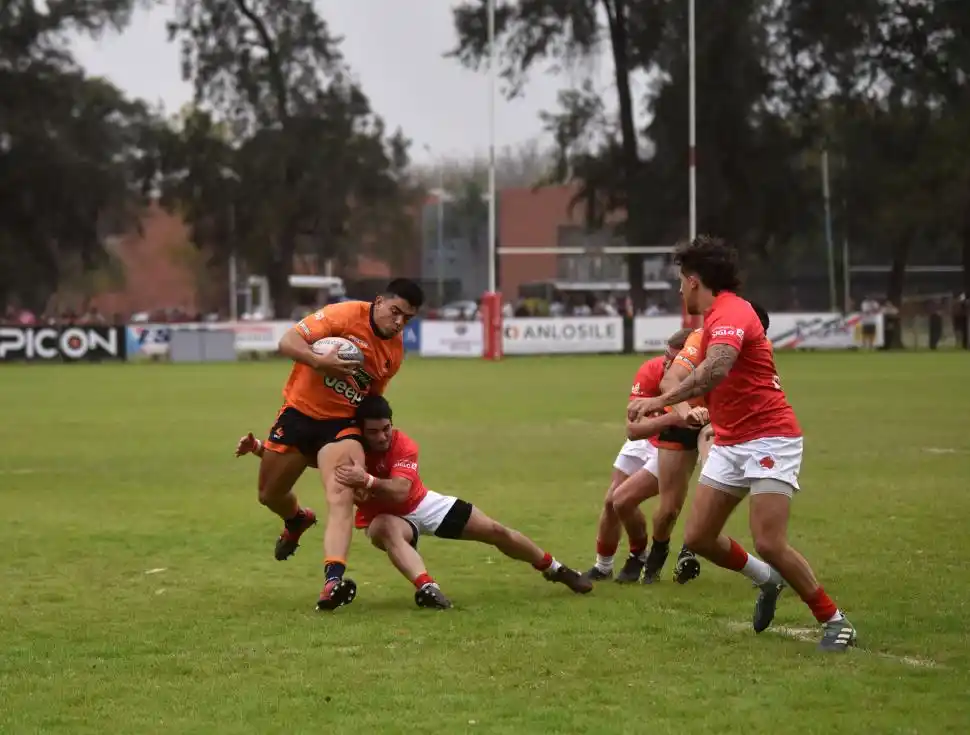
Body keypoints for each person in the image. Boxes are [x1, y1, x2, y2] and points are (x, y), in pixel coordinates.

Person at [628, 236, 857, 652]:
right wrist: (673, 401)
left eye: (681, 281)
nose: (680, 290)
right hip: (732, 440)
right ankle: (767, 580)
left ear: (695, 281)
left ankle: (835, 619)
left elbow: (715, 370)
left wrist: (658, 403)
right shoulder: (710, 322)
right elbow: (680, 374)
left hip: (770, 437)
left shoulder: (733, 312)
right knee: (697, 538)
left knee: (769, 541)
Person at [236, 397, 593, 607]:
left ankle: (555, 569)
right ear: (360, 430)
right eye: (373, 431)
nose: (381, 436)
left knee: (495, 531)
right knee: (387, 529)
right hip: (380, 519)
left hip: (422, 505)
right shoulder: (349, 448)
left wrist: (368, 481)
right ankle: (427, 588)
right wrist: (259, 451)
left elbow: (402, 493)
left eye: (386, 428)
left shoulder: (403, 444)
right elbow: (309, 461)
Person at [258, 279, 423, 611]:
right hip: (299, 415)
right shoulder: (344, 315)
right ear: (379, 302)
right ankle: (296, 518)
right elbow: (287, 342)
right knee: (269, 494)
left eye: (408, 318)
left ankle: (332, 580)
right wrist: (320, 362)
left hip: (341, 426)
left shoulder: (394, 352)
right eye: (395, 312)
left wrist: (371, 452)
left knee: (341, 497)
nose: (399, 322)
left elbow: (373, 401)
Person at [584, 328, 694, 583]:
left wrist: (660, 420)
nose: (666, 365)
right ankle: (603, 567)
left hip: (672, 447)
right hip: (646, 440)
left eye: (674, 361)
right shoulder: (651, 369)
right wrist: (674, 417)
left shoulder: (698, 385)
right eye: (666, 357)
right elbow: (633, 430)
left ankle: (638, 556)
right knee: (610, 502)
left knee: (622, 501)